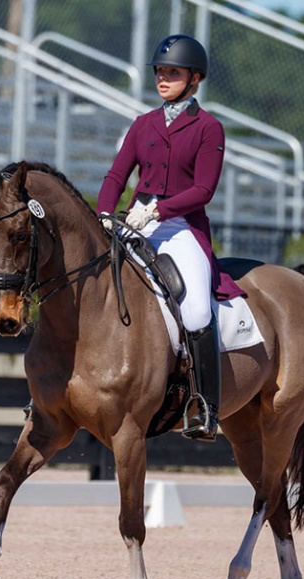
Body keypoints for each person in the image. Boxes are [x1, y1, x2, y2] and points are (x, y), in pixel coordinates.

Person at [97, 34, 244, 441]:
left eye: (173, 73)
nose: (163, 78)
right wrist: (104, 215)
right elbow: (115, 176)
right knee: (90, 283)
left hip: (180, 228)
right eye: (160, 71)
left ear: (194, 79)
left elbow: (204, 190)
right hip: (133, 222)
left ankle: (205, 408)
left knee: (196, 311)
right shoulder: (142, 124)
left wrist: (159, 210)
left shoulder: (208, 128)